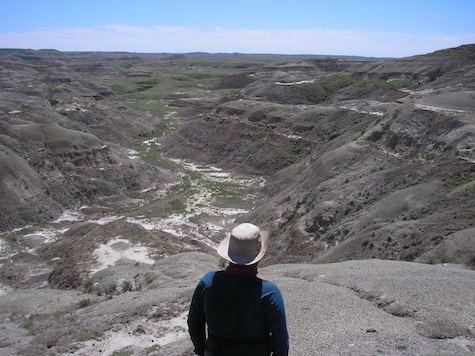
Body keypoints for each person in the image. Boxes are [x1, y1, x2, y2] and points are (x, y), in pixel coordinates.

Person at [187, 223, 289, 356]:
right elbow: (281, 341)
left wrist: (201, 351)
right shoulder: (269, 292)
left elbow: (194, 321)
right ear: (258, 255)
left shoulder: (208, 282)